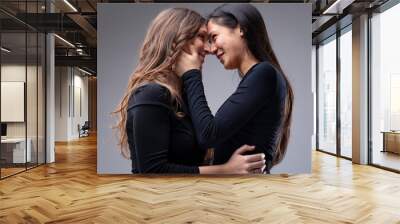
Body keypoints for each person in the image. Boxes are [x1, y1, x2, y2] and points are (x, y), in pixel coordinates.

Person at [113, 8, 266, 174]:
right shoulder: (151, 94)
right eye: (202, 37)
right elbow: (152, 171)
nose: (209, 49)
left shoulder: (181, 97)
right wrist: (225, 169)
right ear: (175, 40)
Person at [174, 4, 294, 173]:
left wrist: (191, 73)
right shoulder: (259, 76)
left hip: (243, 192)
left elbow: (208, 135)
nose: (211, 49)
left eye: (214, 37)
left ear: (241, 29)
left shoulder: (263, 73)